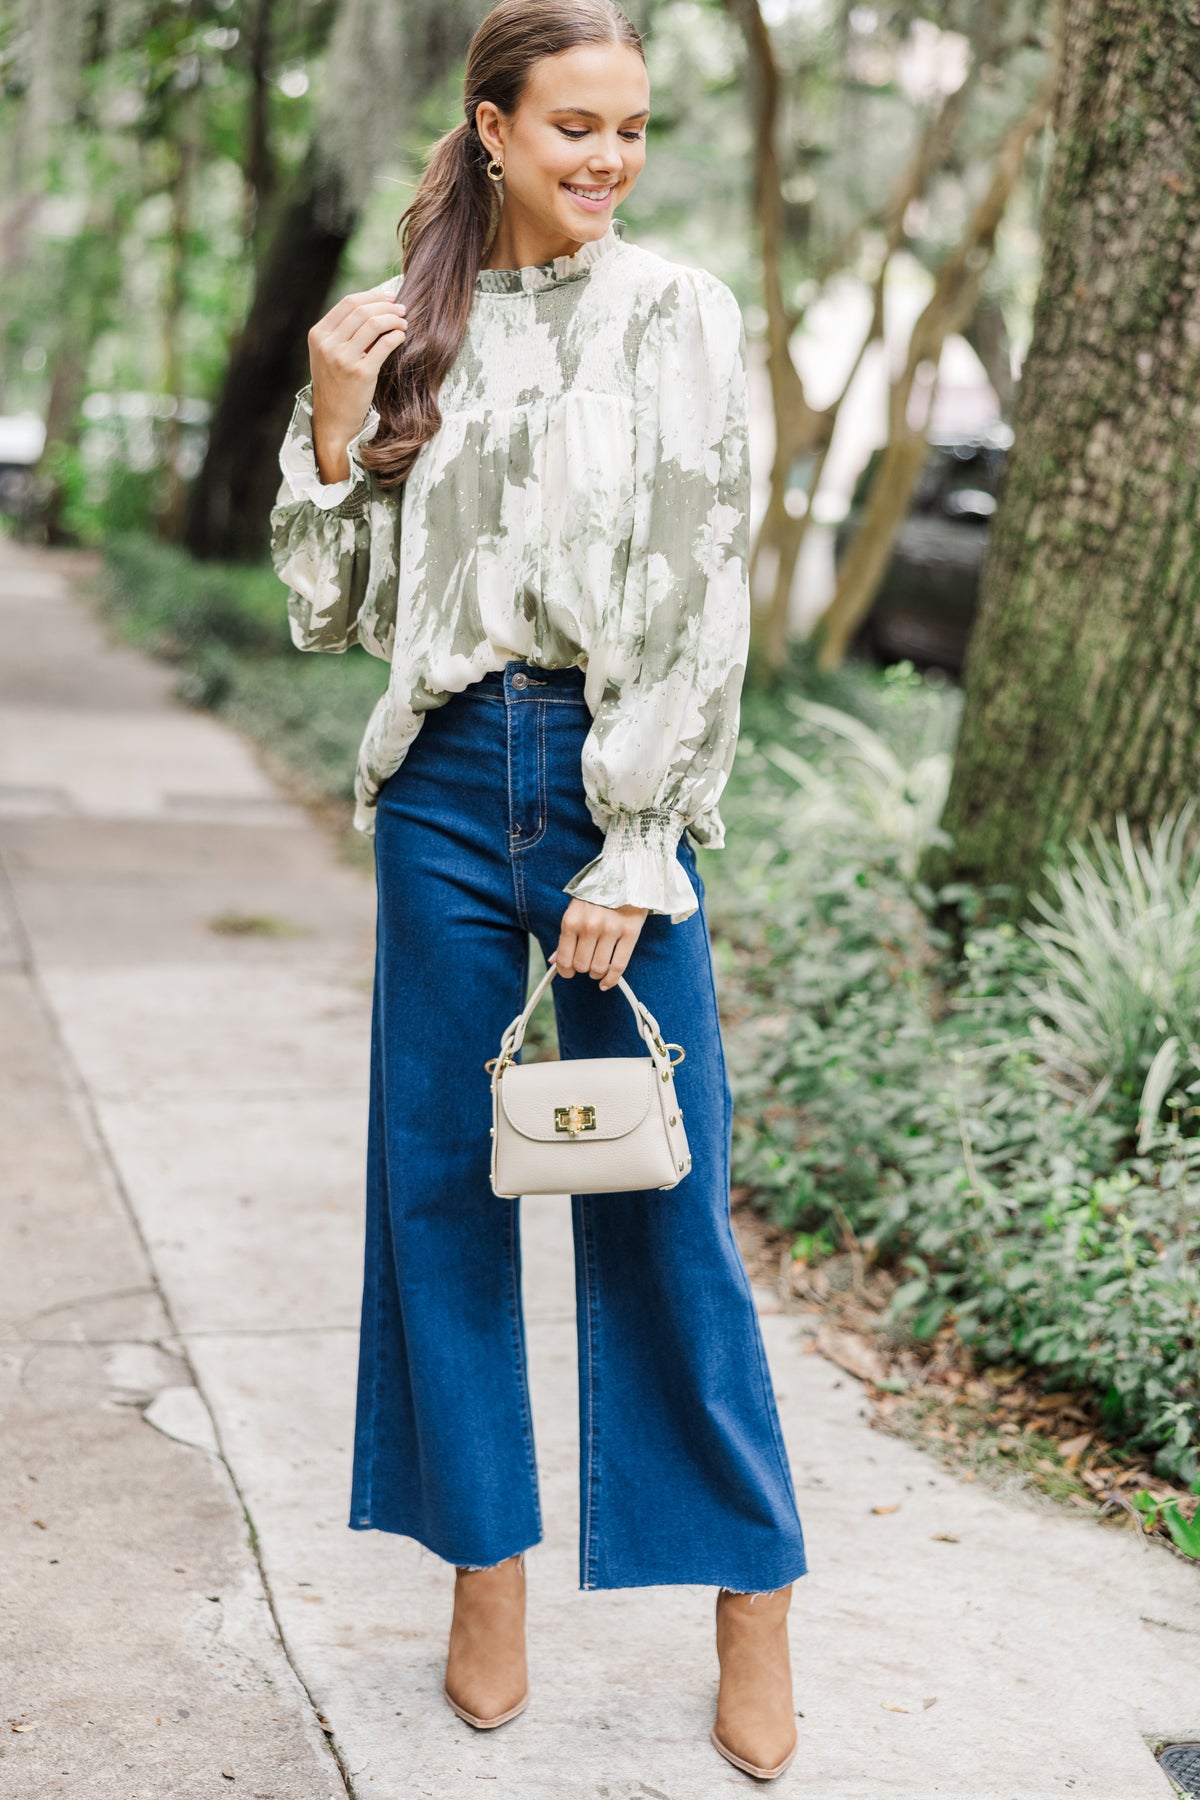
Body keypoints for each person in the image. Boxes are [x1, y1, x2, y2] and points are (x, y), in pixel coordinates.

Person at [269, 0, 807, 1778]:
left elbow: (695, 584)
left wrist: (638, 839)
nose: (607, 158)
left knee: (665, 1191)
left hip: (604, 774)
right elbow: (335, 613)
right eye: (574, 124)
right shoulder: (403, 323)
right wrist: (340, 427)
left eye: (631, 128)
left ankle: (749, 1597)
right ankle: (483, 1575)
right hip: (436, 780)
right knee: (440, 1191)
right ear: (491, 127)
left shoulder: (676, 313)